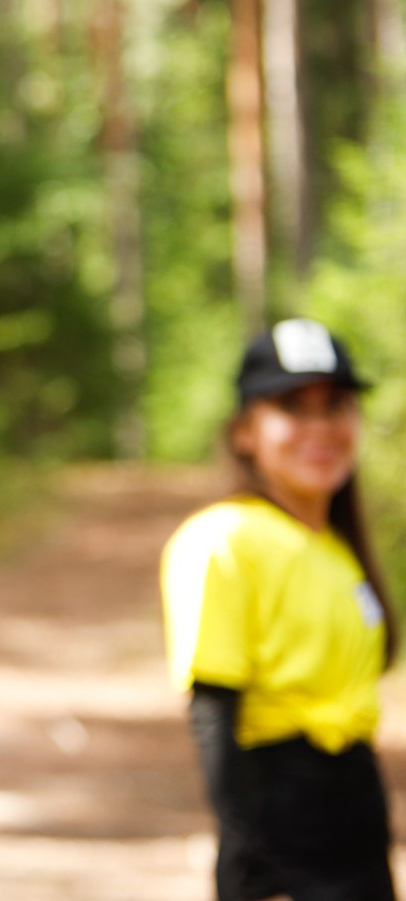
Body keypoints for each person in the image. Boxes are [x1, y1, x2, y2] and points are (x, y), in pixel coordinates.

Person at [162, 318, 398, 901]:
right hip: (283, 825)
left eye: (336, 405)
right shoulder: (222, 539)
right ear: (245, 431)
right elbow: (214, 714)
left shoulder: (339, 549)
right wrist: (253, 872)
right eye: (293, 407)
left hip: (356, 818)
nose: (320, 427)